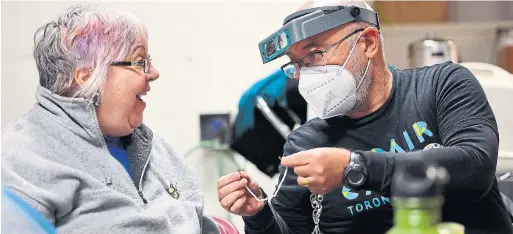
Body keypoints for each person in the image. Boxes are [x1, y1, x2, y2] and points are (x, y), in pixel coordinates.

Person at [216, 0, 513, 233]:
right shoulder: (306, 143)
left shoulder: (441, 86)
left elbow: (476, 166)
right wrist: (259, 214)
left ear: (369, 42)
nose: (305, 76)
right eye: (297, 64)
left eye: (315, 55)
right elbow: (292, 229)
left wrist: (353, 168)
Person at [1, 4, 221, 234]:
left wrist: (257, 219)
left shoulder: (156, 150)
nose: (154, 73)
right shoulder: (21, 157)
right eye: (139, 62)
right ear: (87, 78)